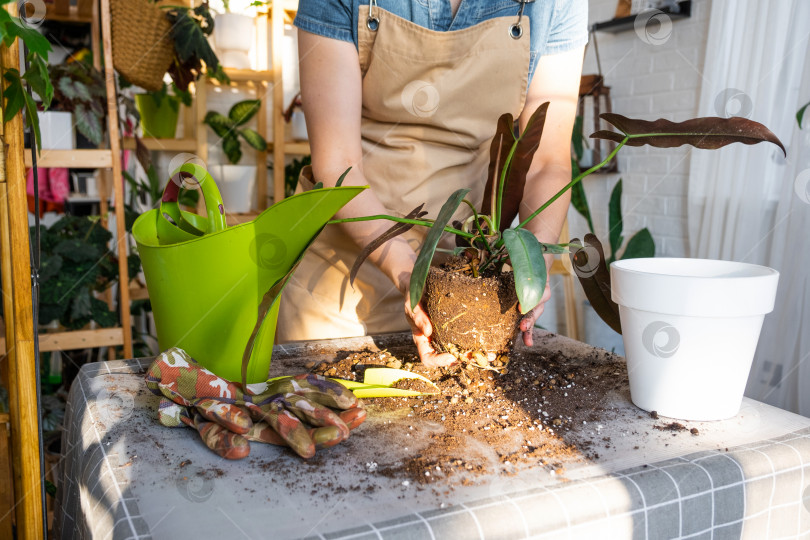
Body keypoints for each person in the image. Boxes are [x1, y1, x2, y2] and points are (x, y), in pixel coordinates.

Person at [277, 0, 588, 366]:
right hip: (344, 275)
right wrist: (410, 270)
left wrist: (531, 266)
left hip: (467, 278)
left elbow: (546, 162)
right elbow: (338, 163)